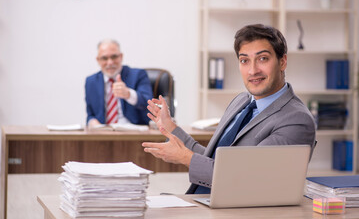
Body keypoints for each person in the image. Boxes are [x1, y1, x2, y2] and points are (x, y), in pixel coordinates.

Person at [142, 24, 316, 194]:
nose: (253, 70)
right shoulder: (241, 101)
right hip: (206, 201)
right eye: (244, 60)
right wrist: (170, 126)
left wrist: (185, 158)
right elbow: (213, 161)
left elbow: (248, 179)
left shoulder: (296, 119)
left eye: (263, 58)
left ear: (282, 61)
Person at [85, 39, 153, 127]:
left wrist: (129, 94)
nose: (110, 62)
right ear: (98, 60)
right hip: (103, 133)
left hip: (133, 133)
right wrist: (92, 122)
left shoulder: (138, 75)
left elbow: (149, 104)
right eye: (104, 58)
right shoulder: (91, 82)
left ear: (121, 56)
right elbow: (90, 115)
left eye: (114, 57)